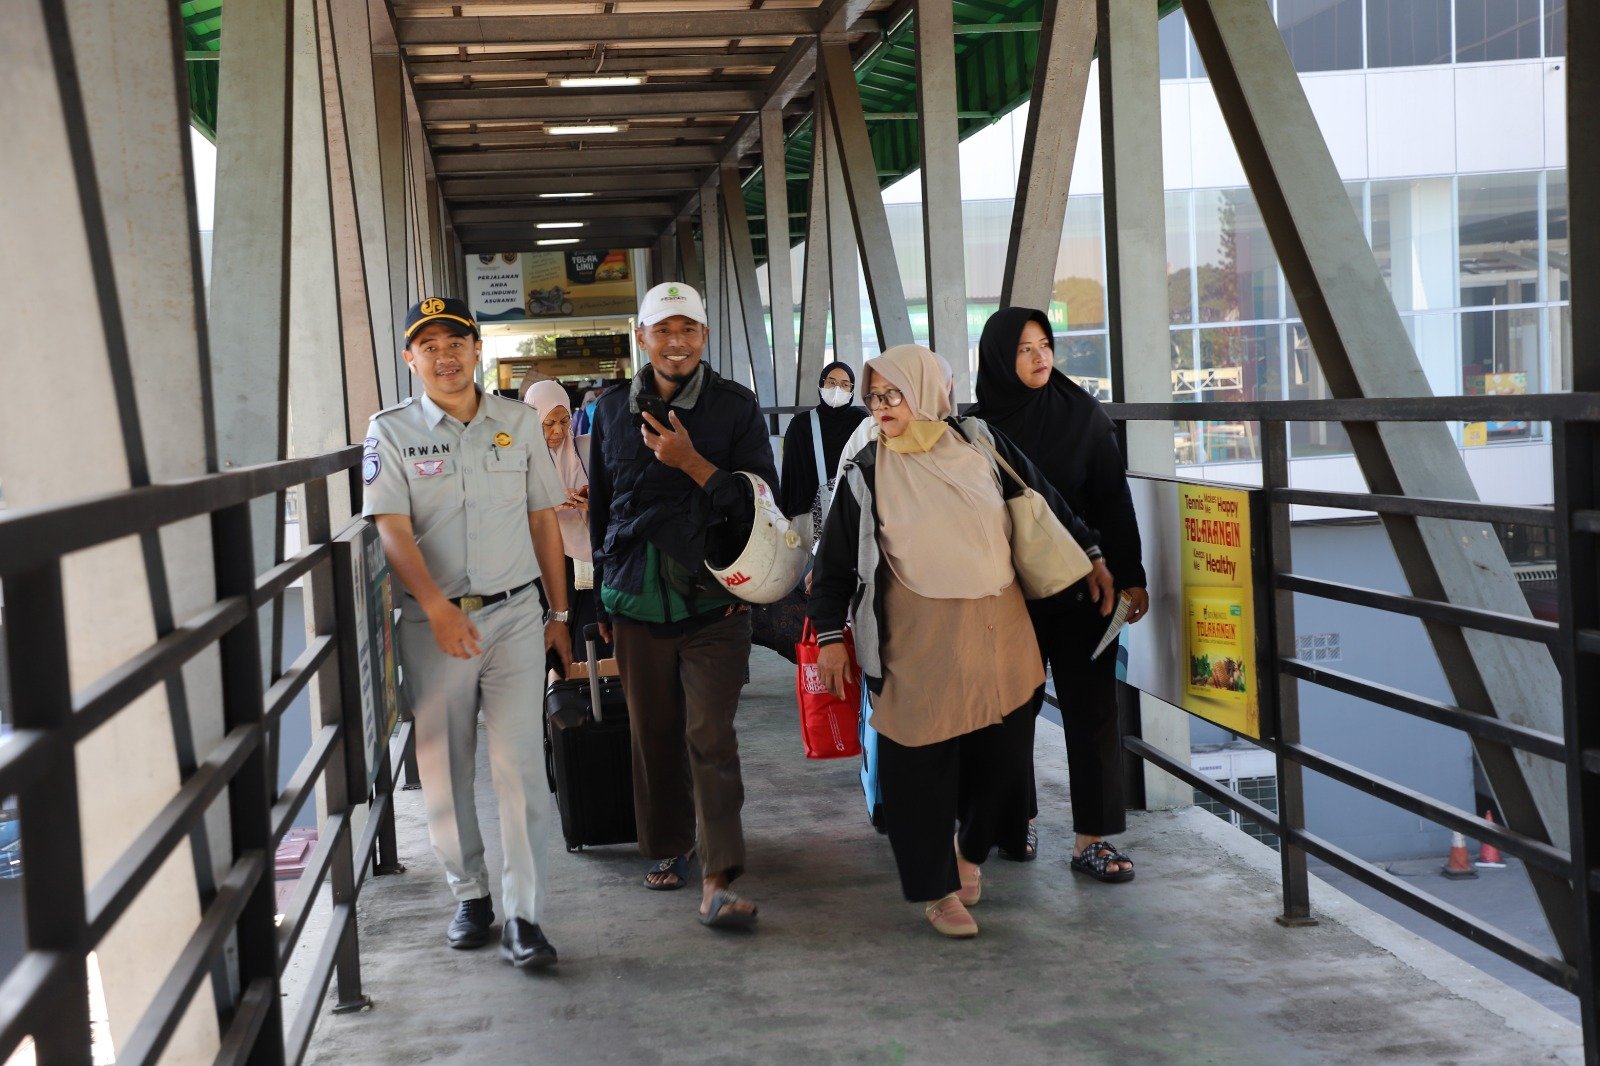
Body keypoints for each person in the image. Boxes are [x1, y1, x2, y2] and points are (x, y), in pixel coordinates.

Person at [808, 344, 1112, 938]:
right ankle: (938, 892)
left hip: (999, 627)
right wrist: (829, 636)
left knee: (1001, 758)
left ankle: (970, 855)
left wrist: (1093, 551)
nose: (882, 406)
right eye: (875, 397)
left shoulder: (978, 443)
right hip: (915, 638)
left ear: (926, 390)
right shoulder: (868, 470)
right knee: (917, 765)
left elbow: (1040, 494)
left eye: (893, 393)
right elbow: (836, 565)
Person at [363, 296, 574, 970]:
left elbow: (545, 518)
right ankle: (471, 893)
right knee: (444, 769)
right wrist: (435, 603)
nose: (446, 355)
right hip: (434, 624)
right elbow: (389, 526)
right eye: (430, 345)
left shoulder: (517, 422)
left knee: (521, 770)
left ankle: (525, 915)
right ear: (410, 358)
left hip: (514, 616)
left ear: (477, 349)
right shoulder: (390, 431)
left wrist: (559, 616)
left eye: (457, 341)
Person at [589, 282, 779, 928]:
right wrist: (603, 605)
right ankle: (667, 844)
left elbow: (759, 502)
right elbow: (604, 510)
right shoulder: (611, 409)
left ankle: (719, 876)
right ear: (641, 336)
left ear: (703, 337)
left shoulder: (736, 410)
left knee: (710, 735)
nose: (676, 342)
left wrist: (692, 463)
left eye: (689, 330)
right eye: (663, 330)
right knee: (655, 733)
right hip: (636, 597)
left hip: (715, 604)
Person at [974, 307, 1149, 881]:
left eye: (1045, 345)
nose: (1040, 357)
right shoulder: (978, 432)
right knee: (1009, 712)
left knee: (1094, 710)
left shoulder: (1084, 419)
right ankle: (1013, 819)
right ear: (1001, 357)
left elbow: (1114, 503)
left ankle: (1091, 840)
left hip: (1085, 591)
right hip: (1008, 597)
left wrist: (1132, 577)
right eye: (1024, 349)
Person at [524, 379, 605, 654]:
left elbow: (617, 497)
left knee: (589, 637)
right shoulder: (519, 461)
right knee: (550, 642)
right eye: (549, 423)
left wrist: (592, 501)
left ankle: (588, 693)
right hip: (544, 564)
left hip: (590, 560)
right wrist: (548, 505)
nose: (558, 430)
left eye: (565, 420)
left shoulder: (588, 449)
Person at [779, 361, 867, 539]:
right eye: (831, 382)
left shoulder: (861, 422)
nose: (837, 389)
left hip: (854, 511)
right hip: (810, 518)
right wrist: (788, 514)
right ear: (821, 384)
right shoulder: (801, 425)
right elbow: (791, 472)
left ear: (852, 390)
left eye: (844, 384)